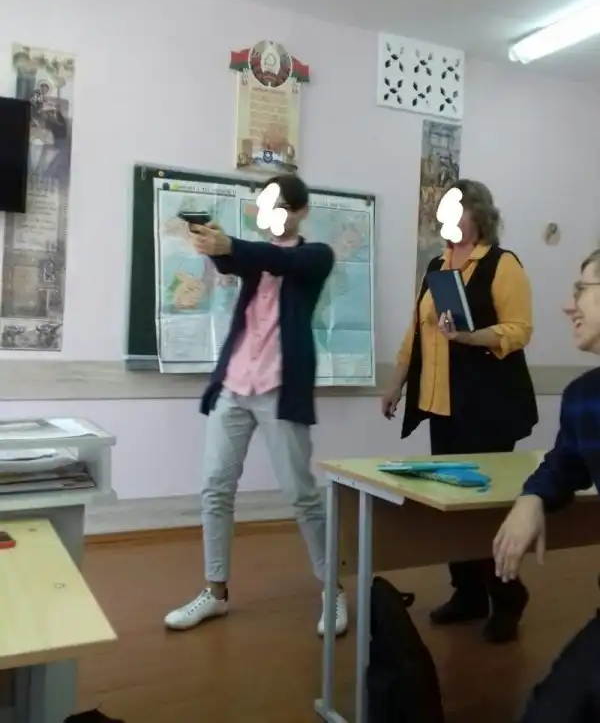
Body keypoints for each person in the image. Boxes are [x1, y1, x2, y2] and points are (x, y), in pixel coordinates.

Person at [164, 174, 349, 637]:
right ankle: (215, 592)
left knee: (302, 495)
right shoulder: (252, 257)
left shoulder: (316, 256)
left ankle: (333, 589)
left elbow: (275, 259)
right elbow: (236, 259)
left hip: (278, 390)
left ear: (301, 211)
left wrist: (231, 245)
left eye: (280, 206)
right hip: (233, 385)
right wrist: (213, 243)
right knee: (215, 488)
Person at [382, 178, 538, 643]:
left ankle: (507, 597)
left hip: (488, 409)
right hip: (441, 407)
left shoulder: (502, 264)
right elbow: (415, 333)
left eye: (456, 210)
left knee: (483, 511)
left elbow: (519, 330)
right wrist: (395, 384)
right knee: (452, 506)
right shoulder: (437, 266)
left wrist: (471, 337)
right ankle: (467, 594)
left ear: (478, 215)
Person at [493, 248, 600, 721]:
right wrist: (532, 497)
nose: (566, 305)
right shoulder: (584, 399)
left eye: (581, 289)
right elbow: (562, 464)